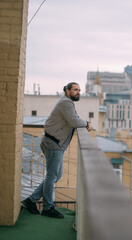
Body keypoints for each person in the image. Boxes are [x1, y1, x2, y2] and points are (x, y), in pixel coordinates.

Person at [22, 82, 92, 218]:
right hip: (53, 144)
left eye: (79, 90)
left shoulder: (68, 103)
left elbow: (74, 119)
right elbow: (74, 121)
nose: (78, 92)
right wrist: (87, 123)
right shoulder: (66, 103)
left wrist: (81, 122)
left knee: (55, 175)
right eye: (75, 90)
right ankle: (48, 208)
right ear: (67, 91)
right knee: (51, 176)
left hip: (54, 144)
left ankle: (31, 200)